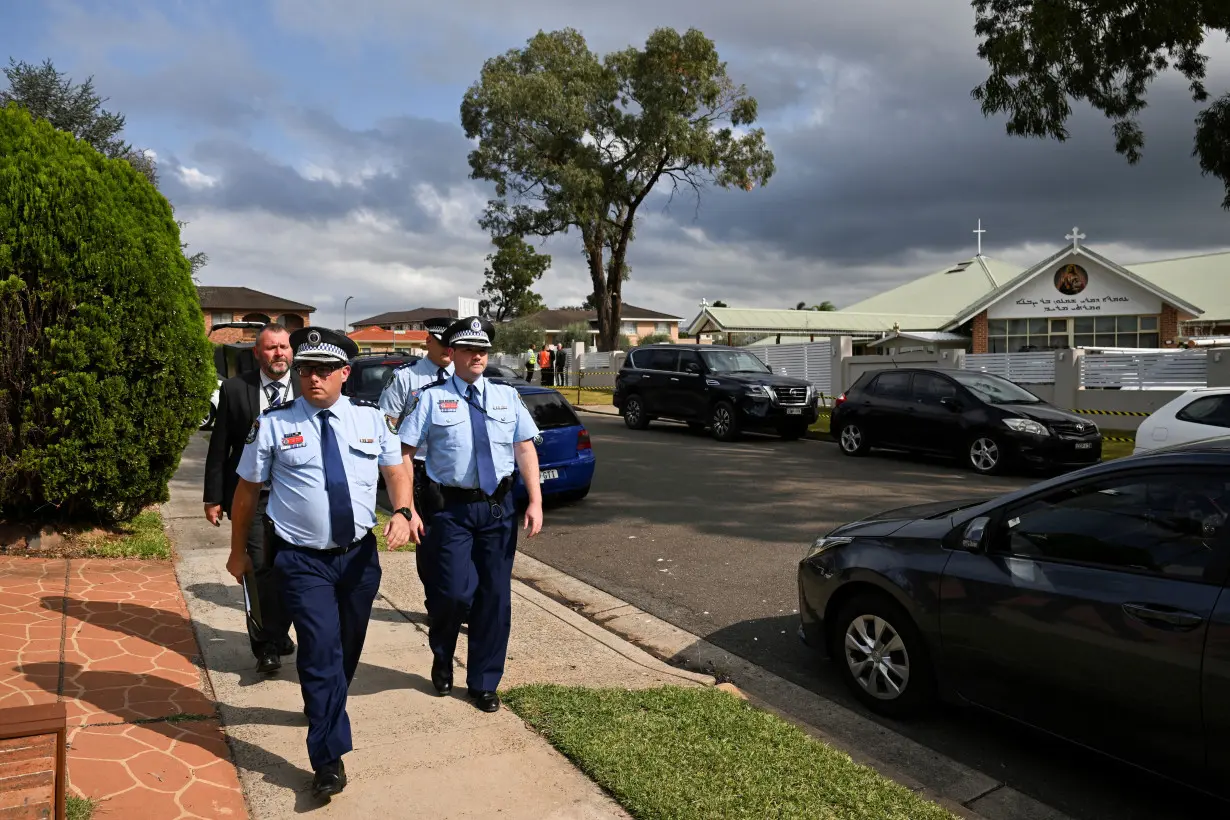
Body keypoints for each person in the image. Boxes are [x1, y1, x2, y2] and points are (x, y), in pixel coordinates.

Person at [227, 327, 417, 799]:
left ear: (344, 374)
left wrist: (404, 509)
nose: (314, 378)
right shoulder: (273, 424)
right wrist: (237, 550)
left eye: (325, 370)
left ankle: (327, 702)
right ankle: (328, 759)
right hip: (300, 560)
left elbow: (395, 470)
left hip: (357, 559)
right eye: (306, 368)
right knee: (320, 652)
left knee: (346, 649)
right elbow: (247, 492)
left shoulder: (371, 421)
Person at [399, 316, 543, 713]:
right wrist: (406, 509)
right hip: (451, 511)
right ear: (453, 354)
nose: (478, 355)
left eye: (483, 349)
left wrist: (535, 500)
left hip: (497, 508)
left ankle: (483, 682)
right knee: (452, 594)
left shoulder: (506, 397)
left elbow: (525, 448)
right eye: (469, 349)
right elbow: (405, 454)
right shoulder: (429, 397)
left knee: (494, 599)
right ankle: (442, 654)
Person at [203, 323, 298, 675]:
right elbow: (220, 447)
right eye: (271, 348)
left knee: (291, 569)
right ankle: (266, 646)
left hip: (295, 498)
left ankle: (279, 630)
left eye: (284, 347)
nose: (279, 354)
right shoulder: (235, 389)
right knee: (257, 571)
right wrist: (213, 497)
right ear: (257, 353)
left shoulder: (307, 388)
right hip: (253, 497)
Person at [377, 316, 455, 610]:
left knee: (459, 541)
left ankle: (462, 601)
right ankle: (437, 604)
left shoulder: (462, 376)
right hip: (419, 468)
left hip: (454, 470)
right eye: (442, 343)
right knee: (429, 542)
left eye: (452, 344)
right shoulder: (407, 377)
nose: (448, 349)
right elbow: (388, 424)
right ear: (428, 342)